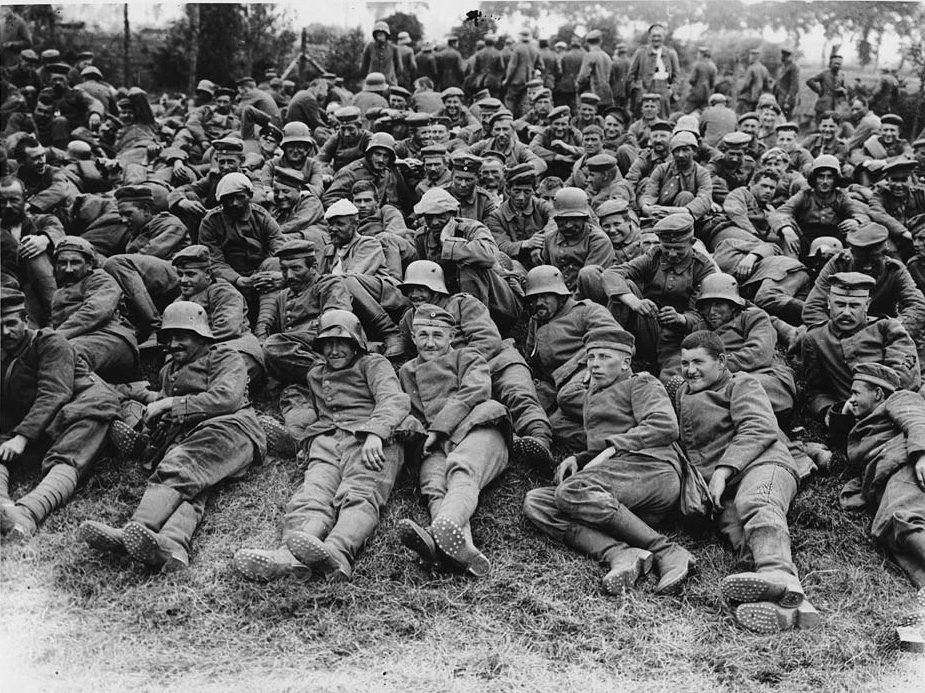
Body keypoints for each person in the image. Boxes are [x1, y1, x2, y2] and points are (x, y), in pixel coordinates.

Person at [79, 301, 266, 573]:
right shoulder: (169, 370)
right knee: (192, 488)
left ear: (202, 336)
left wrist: (170, 404)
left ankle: (138, 528)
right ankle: (172, 545)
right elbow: (166, 408)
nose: (174, 344)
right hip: (191, 437)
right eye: (169, 338)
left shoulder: (225, 357)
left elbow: (227, 398)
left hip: (230, 429)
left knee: (180, 467)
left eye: (182, 336)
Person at [234, 310, 410, 582]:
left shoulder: (374, 364)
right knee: (311, 496)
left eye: (342, 342)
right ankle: (288, 556)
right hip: (328, 441)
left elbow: (394, 400)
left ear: (356, 343)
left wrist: (376, 433)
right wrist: (309, 440)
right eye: (328, 343)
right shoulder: (316, 374)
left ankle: (337, 552)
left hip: (371, 439)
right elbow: (324, 412)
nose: (335, 349)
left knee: (359, 493)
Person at [523, 325, 693, 595]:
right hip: (618, 484)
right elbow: (604, 444)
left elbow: (665, 426)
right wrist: (580, 458)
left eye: (604, 357)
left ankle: (667, 551)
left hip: (653, 470)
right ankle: (621, 554)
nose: (595, 364)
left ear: (626, 362)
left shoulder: (641, 383)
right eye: (591, 357)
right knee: (538, 501)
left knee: (572, 491)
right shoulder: (594, 393)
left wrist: (611, 450)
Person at [675, 331, 820, 633]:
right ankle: (789, 608)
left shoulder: (741, 384)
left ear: (721, 361)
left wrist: (722, 471)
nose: (690, 370)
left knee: (756, 502)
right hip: (722, 485)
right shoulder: (683, 395)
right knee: (738, 532)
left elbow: (758, 427)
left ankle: (779, 576)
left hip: (763, 463)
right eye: (685, 363)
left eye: (698, 362)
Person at [397, 260, 553, 467]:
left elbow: (488, 340)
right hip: (453, 375)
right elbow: (411, 349)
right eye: (410, 290)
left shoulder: (463, 304)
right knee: (457, 408)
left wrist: (461, 366)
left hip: (497, 361)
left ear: (437, 288)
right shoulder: (410, 318)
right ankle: (510, 441)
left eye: (421, 289)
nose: (415, 295)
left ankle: (539, 439)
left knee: (517, 393)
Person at [396, 304, 510, 577]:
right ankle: (464, 550)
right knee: (434, 487)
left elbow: (475, 390)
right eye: (423, 335)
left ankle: (443, 528)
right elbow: (404, 412)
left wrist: (438, 429)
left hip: (477, 427)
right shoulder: (406, 372)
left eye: (438, 335)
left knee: (462, 470)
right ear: (413, 338)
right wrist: (415, 432)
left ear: (451, 337)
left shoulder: (468, 357)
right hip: (433, 446)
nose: (430, 342)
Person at [0, 287, 121, 542]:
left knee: (73, 446)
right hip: (42, 422)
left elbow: (54, 392)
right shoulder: (5, 352)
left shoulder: (50, 342)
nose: (4, 332)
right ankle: (3, 506)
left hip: (81, 407)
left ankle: (29, 512)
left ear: (25, 319)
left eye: (11, 323)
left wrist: (21, 437)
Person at [802, 272, 920, 446]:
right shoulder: (815, 338)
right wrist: (830, 410)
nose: (846, 312)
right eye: (840, 304)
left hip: (900, 408)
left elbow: (907, 379)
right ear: (828, 303)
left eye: (854, 305)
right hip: (854, 419)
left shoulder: (887, 328)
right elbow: (816, 390)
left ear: (867, 305)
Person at [600, 213, 716, 378]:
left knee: (673, 377)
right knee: (624, 290)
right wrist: (635, 302)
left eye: (679, 249)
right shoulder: (654, 256)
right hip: (645, 327)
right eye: (666, 248)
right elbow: (611, 274)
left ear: (692, 243)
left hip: (677, 337)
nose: (672, 254)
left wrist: (681, 318)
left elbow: (705, 315)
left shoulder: (703, 268)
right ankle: (610, 348)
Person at [842, 363, 925, 588]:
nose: (851, 399)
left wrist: (921, 455)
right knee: (891, 532)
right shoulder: (866, 423)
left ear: (878, 393)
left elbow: (917, 420)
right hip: (888, 480)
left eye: (856, 393)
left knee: (904, 520)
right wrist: (845, 415)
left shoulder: (899, 399)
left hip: (905, 467)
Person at [524, 265, 620, 450]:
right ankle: (615, 441)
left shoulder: (586, 310)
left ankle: (631, 413)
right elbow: (532, 359)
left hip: (591, 372)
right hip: (559, 385)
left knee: (568, 396)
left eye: (544, 296)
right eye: (534, 298)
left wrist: (592, 363)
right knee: (553, 424)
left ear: (560, 295)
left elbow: (616, 340)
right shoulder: (536, 322)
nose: (539, 303)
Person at [412, 187, 523, 334]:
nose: (434, 222)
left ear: (453, 214)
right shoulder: (422, 238)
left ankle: (477, 329)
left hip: (497, 302)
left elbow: (490, 256)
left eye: (440, 216)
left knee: (468, 267)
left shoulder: (473, 229)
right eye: (429, 217)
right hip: (451, 301)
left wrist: (448, 242)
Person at [317, 199, 408, 356]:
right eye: (330, 225)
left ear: (355, 225)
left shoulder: (368, 243)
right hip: (352, 299)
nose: (333, 229)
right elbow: (318, 281)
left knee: (342, 281)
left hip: (382, 294)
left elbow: (354, 273)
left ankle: (390, 333)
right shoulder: (328, 251)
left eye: (340, 224)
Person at [50, 235, 139, 382]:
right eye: (62, 263)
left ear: (89, 263)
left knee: (68, 353)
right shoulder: (58, 294)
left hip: (112, 337)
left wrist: (54, 336)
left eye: (75, 263)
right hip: (79, 340)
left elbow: (97, 311)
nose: (68, 269)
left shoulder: (100, 279)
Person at [0, 175, 62, 326]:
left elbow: (57, 230)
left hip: (45, 284)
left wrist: (44, 239)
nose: (8, 206)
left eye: (14, 200)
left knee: (34, 252)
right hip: (14, 290)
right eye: (2, 201)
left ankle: (56, 317)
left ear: (25, 198)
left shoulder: (41, 220)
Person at [627, 24, 680, 117]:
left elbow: (676, 76)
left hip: (664, 90)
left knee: (663, 119)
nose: (656, 39)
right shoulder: (641, 52)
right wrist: (637, 89)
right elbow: (631, 75)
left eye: (659, 36)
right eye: (653, 36)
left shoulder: (671, 53)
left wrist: (671, 91)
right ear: (649, 37)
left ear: (663, 37)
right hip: (645, 90)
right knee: (643, 118)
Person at [503, 29, 542, 118]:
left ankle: (508, 120)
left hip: (516, 81)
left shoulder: (517, 48)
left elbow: (512, 66)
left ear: (520, 37)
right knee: (524, 102)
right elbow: (541, 66)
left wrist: (507, 80)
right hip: (529, 81)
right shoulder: (535, 49)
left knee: (510, 101)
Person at [577, 30, 613, 109]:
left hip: (593, 96)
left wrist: (578, 88)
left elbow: (583, 77)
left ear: (587, 43)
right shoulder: (607, 56)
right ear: (600, 41)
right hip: (607, 95)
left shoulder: (589, 55)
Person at [807, 53, 847, 123]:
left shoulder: (841, 75)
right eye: (835, 63)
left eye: (839, 64)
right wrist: (819, 91)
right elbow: (810, 81)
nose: (837, 66)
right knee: (820, 124)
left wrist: (843, 90)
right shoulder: (824, 74)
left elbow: (843, 88)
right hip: (824, 105)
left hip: (836, 106)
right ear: (830, 64)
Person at [738, 48, 772, 115]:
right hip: (760, 99)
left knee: (747, 117)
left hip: (749, 99)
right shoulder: (764, 69)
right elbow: (768, 85)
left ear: (753, 57)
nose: (749, 58)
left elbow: (746, 84)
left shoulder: (751, 68)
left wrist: (740, 91)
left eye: (750, 56)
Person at [686, 46, 716, 113]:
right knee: (704, 113)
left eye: (698, 54)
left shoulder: (697, 65)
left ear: (701, 55)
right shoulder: (713, 67)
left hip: (695, 94)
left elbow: (691, 80)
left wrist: (695, 87)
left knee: (686, 112)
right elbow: (712, 84)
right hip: (707, 95)